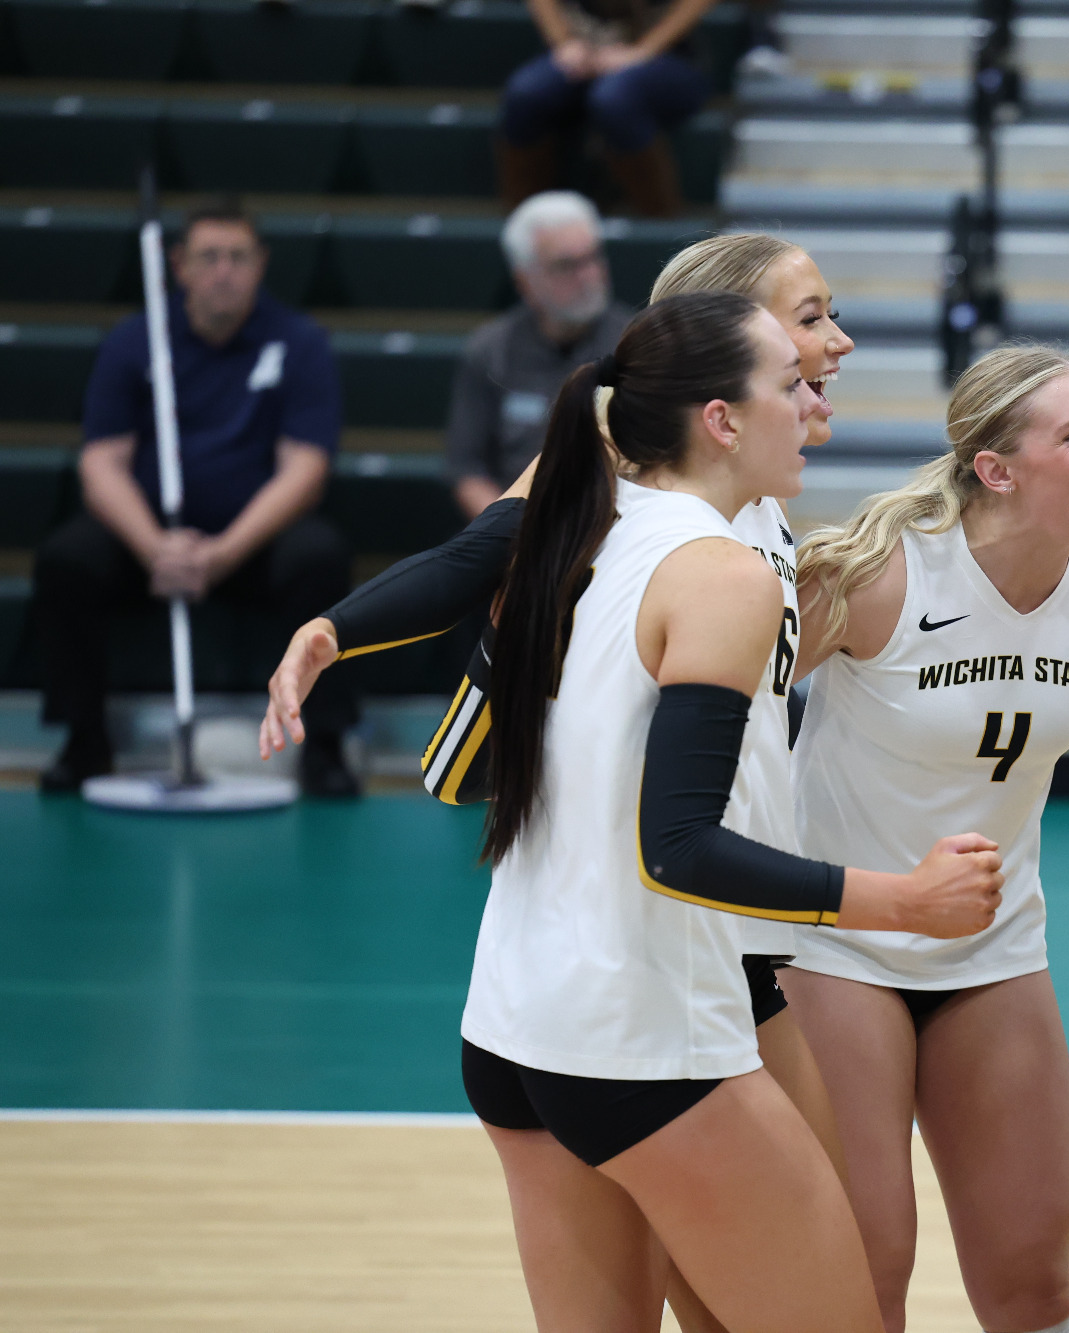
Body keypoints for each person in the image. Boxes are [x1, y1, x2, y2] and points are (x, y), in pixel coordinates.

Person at [265, 231, 855, 1333]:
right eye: (809, 318)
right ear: (727, 358)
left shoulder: (759, 484)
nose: (836, 339)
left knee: (803, 1264)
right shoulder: (629, 470)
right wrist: (333, 631)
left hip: (723, 930)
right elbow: (474, 555)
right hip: (665, 927)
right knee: (772, 1282)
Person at [454, 287, 1002, 1331]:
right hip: (638, 1037)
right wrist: (903, 900)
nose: (812, 402)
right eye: (789, 385)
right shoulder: (724, 574)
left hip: (514, 1027)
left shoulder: (584, 533)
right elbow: (678, 848)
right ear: (721, 420)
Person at [781, 342, 1069, 1333]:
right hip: (836, 940)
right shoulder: (873, 575)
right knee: (864, 1272)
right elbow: (710, 715)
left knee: (1031, 1282)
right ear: (995, 469)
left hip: (991, 948)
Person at [34, 199, 354, 796]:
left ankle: (325, 747)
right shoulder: (135, 341)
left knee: (321, 560)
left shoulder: (299, 341)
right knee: (66, 561)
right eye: (209, 257)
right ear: (179, 265)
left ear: (261, 265)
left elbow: (305, 469)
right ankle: (83, 741)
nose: (223, 271)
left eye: (238, 257)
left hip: (253, 542)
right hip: (151, 542)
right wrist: (157, 547)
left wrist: (224, 553)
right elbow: (102, 463)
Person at [446, 192, 633, 521]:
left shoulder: (637, 345)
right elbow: (467, 471)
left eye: (593, 257)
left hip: (616, 524)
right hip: (516, 526)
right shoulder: (490, 350)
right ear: (524, 281)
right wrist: (508, 534)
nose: (588, 274)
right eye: (567, 265)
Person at [499, 0, 719, 217]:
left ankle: (660, 224)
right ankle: (529, 227)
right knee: (526, 94)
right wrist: (564, 42)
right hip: (581, 45)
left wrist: (643, 51)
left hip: (667, 54)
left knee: (614, 98)